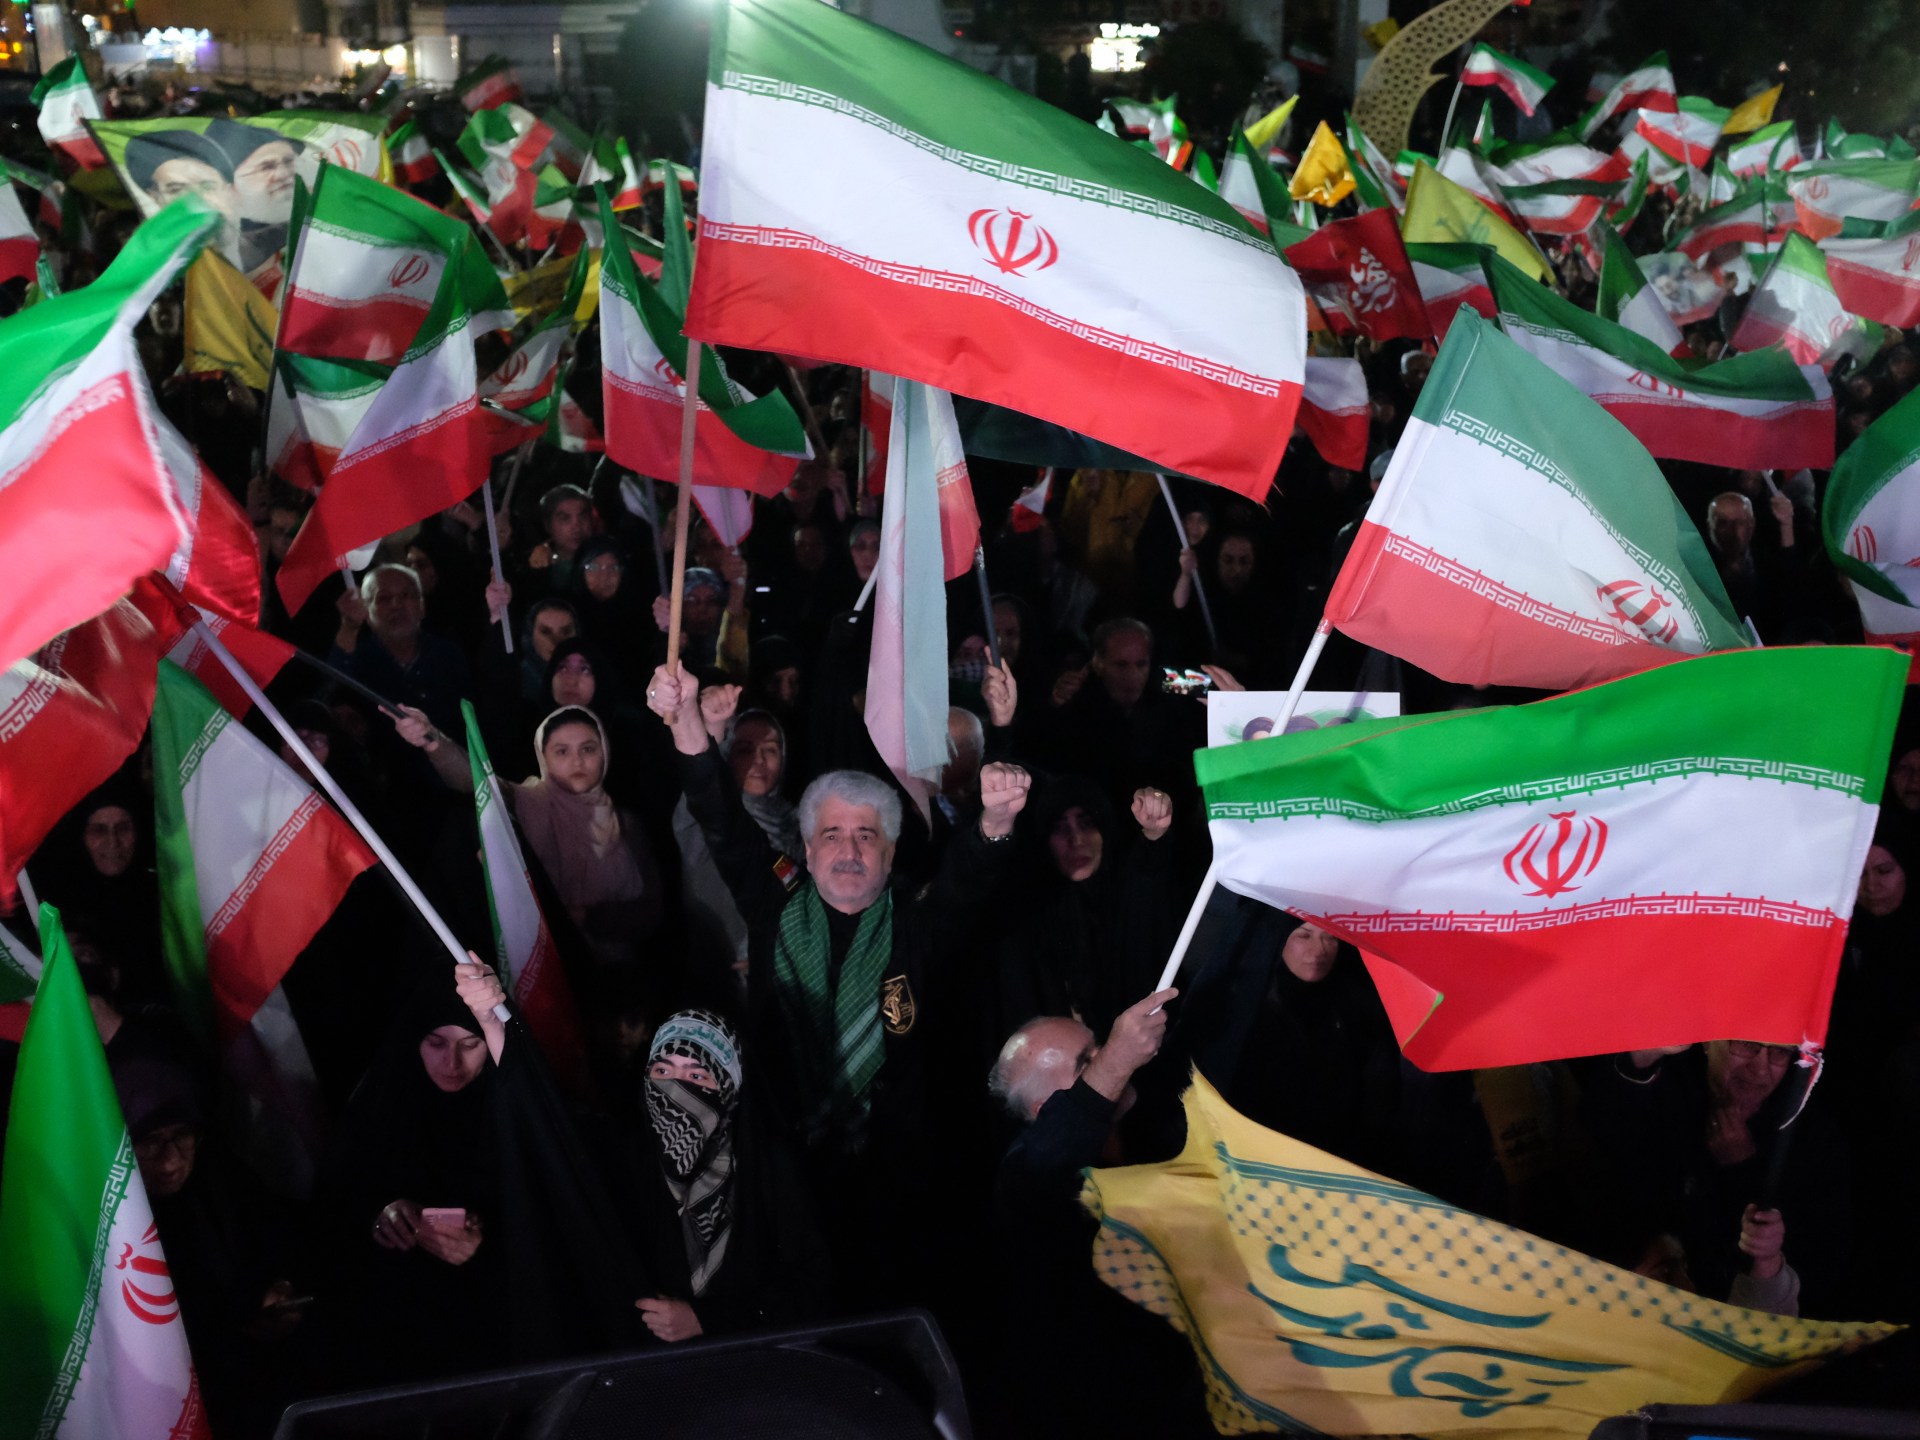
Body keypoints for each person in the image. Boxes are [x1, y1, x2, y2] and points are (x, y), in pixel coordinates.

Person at [648, 660, 1028, 1306]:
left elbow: (968, 880)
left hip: (895, 1183)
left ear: (890, 850)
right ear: (807, 846)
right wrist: (685, 719)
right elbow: (720, 818)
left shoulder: (916, 923)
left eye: (865, 836)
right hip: (783, 1169)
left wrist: (995, 822)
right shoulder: (772, 901)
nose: (848, 852)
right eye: (831, 834)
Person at [313, 984, 507, 1387]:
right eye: (436, 1043)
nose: (451, 1062)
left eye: (471, 1044)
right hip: (394, 1337)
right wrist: (382, 1214)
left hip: (496, 1329)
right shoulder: (377, 1108)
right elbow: (333, 1205)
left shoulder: (511, 1113)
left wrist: (485, 1237)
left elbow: (542, 1210)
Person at [124, 130, 242, 265]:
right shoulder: (157, 268)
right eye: (176, 190)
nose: (197, 200)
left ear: (229, 191)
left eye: (207, 187)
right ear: (156, 197)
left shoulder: (261, 250)